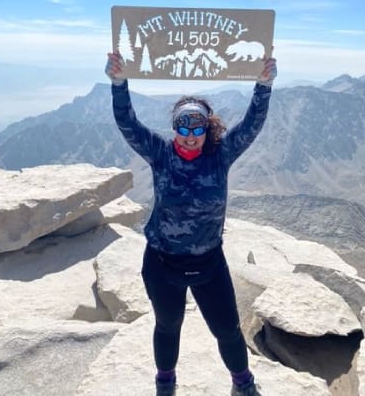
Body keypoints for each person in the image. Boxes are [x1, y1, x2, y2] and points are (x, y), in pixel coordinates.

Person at [105, 50, 277, 396]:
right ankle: (165, 383)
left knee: (227, 329)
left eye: (197, 126)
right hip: (162, 262)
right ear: (175, 127)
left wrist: (264, 86)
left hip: (209, 263)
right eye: (183, 125)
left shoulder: (221, 154)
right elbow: (128, 124)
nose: (189, 134)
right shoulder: (160, 153)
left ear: (206, 128)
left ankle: (243, 384)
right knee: (168, 326)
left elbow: (251, 126)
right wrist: (119, 83)